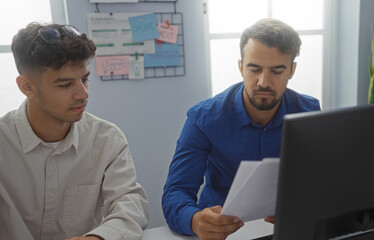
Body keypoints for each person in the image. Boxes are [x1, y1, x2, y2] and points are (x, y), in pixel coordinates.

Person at [162, 18, 321, 239]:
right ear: (240, 67)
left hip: (284, 230)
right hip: (223, 232)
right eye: (254, 69)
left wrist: (303, 204)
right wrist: (195, 220)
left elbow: (319, 181)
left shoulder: (309, 112)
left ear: (292, 70)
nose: (264, 82)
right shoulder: (203, 118)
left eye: (277, 71)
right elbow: (175, 192)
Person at [0, 22, 148, 240]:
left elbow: (130, 203)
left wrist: (98, 238)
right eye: (65, 84)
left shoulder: (107, 140)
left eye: (85, 79)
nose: (83, 94)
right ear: (27, 87)